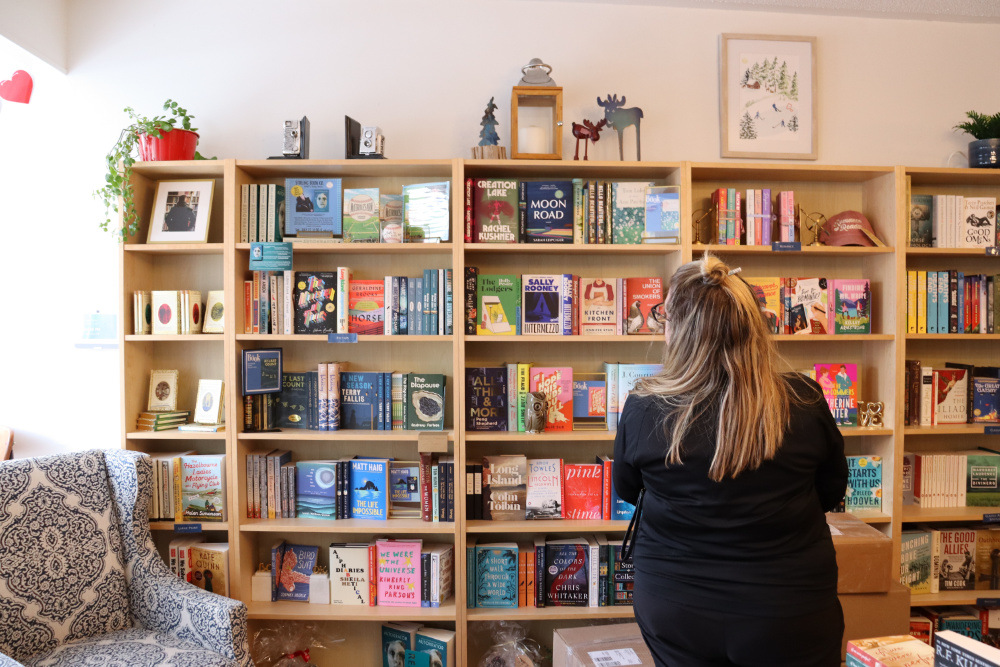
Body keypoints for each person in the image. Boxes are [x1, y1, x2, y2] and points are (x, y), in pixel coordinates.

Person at [614, 253, 847, 667]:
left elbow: (629, 491)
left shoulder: (645, 406)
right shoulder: (805, 399)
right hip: (790, 607)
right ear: (755, 327)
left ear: (678, 332)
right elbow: (831, 491)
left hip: (675, 604)